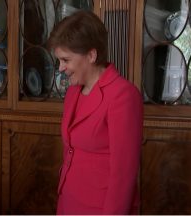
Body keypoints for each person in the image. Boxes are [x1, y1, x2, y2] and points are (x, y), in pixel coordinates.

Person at [48, 11, 143, 214]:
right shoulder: (74, 91)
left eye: (66, 60)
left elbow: (124, 174)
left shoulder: (123, 95)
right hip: (69, 201)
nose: (61, 68)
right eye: (59, 60)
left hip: (100, 208)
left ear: (91, 55)